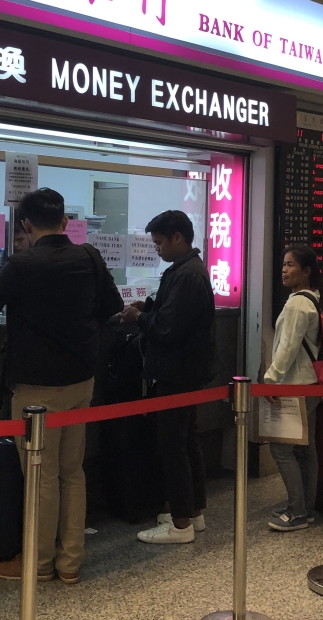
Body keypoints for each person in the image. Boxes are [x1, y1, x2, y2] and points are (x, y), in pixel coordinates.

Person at [0, 188, 123, 584]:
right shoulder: (89, 256)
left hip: (37, 387)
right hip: (81, 380)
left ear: (25, 224)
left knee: (41, 475)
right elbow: (112, 307)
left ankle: (39, 563)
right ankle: (70, 562)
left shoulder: (23, 263)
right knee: (72, 471)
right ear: (65, 221)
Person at [120, 210, 215, 545]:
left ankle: (180, 524)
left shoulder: (187, 274)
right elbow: (171, 314)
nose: (157, 249)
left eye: (159, 242)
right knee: (187, 441)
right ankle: (193, 511)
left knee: (173, 445)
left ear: (178, 237)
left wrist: (138, 317)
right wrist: (149, 308)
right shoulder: (187, 269)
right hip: (186, 371)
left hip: (177, 372)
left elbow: (168, 327)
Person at [264, 245, 321, 532]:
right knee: (305, 448)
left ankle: (297, 512)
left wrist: (270, 379)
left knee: (282, 449)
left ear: (307, 271)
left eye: (291, 265)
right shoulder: (312, 299)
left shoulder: (298, 304)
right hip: (310, 383)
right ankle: (305, 507)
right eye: (284, 264)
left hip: (295, 385)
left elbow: (287, 347)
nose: (284, 270)